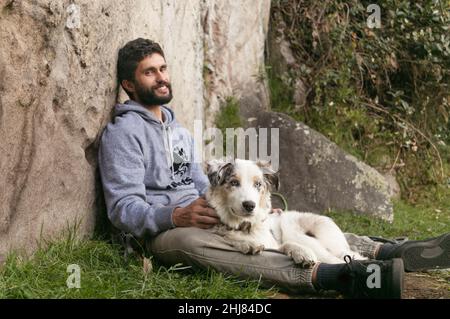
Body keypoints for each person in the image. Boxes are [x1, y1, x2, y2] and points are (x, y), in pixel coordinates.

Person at [98, 38, 450, 299]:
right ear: (129, 84)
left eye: (162, 68)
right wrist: (175, 217)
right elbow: (123, 209)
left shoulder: (176, 132)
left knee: (274, 222)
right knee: (197, 242)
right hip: (162, 233)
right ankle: (331, 276)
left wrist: (243, 206)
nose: (161, 78)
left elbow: (197, 183)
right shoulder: (123, 135)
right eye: (149, 72)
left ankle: (379, 252)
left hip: (203, 215)